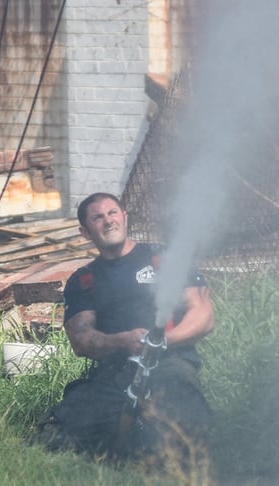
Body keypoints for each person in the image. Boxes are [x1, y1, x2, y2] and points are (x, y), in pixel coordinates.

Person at [36, 192, 215, 460]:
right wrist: (123, 341)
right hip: (115, 372)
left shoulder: (163, 257)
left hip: (170, 364)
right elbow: (81, 339)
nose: (108, 221)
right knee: (62, 431)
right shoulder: (84, 279)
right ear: (85, 232)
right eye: (98, 218)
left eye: (113, 213)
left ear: (125, 217)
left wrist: (162, 342)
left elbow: (203, 315)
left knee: (180, 432)